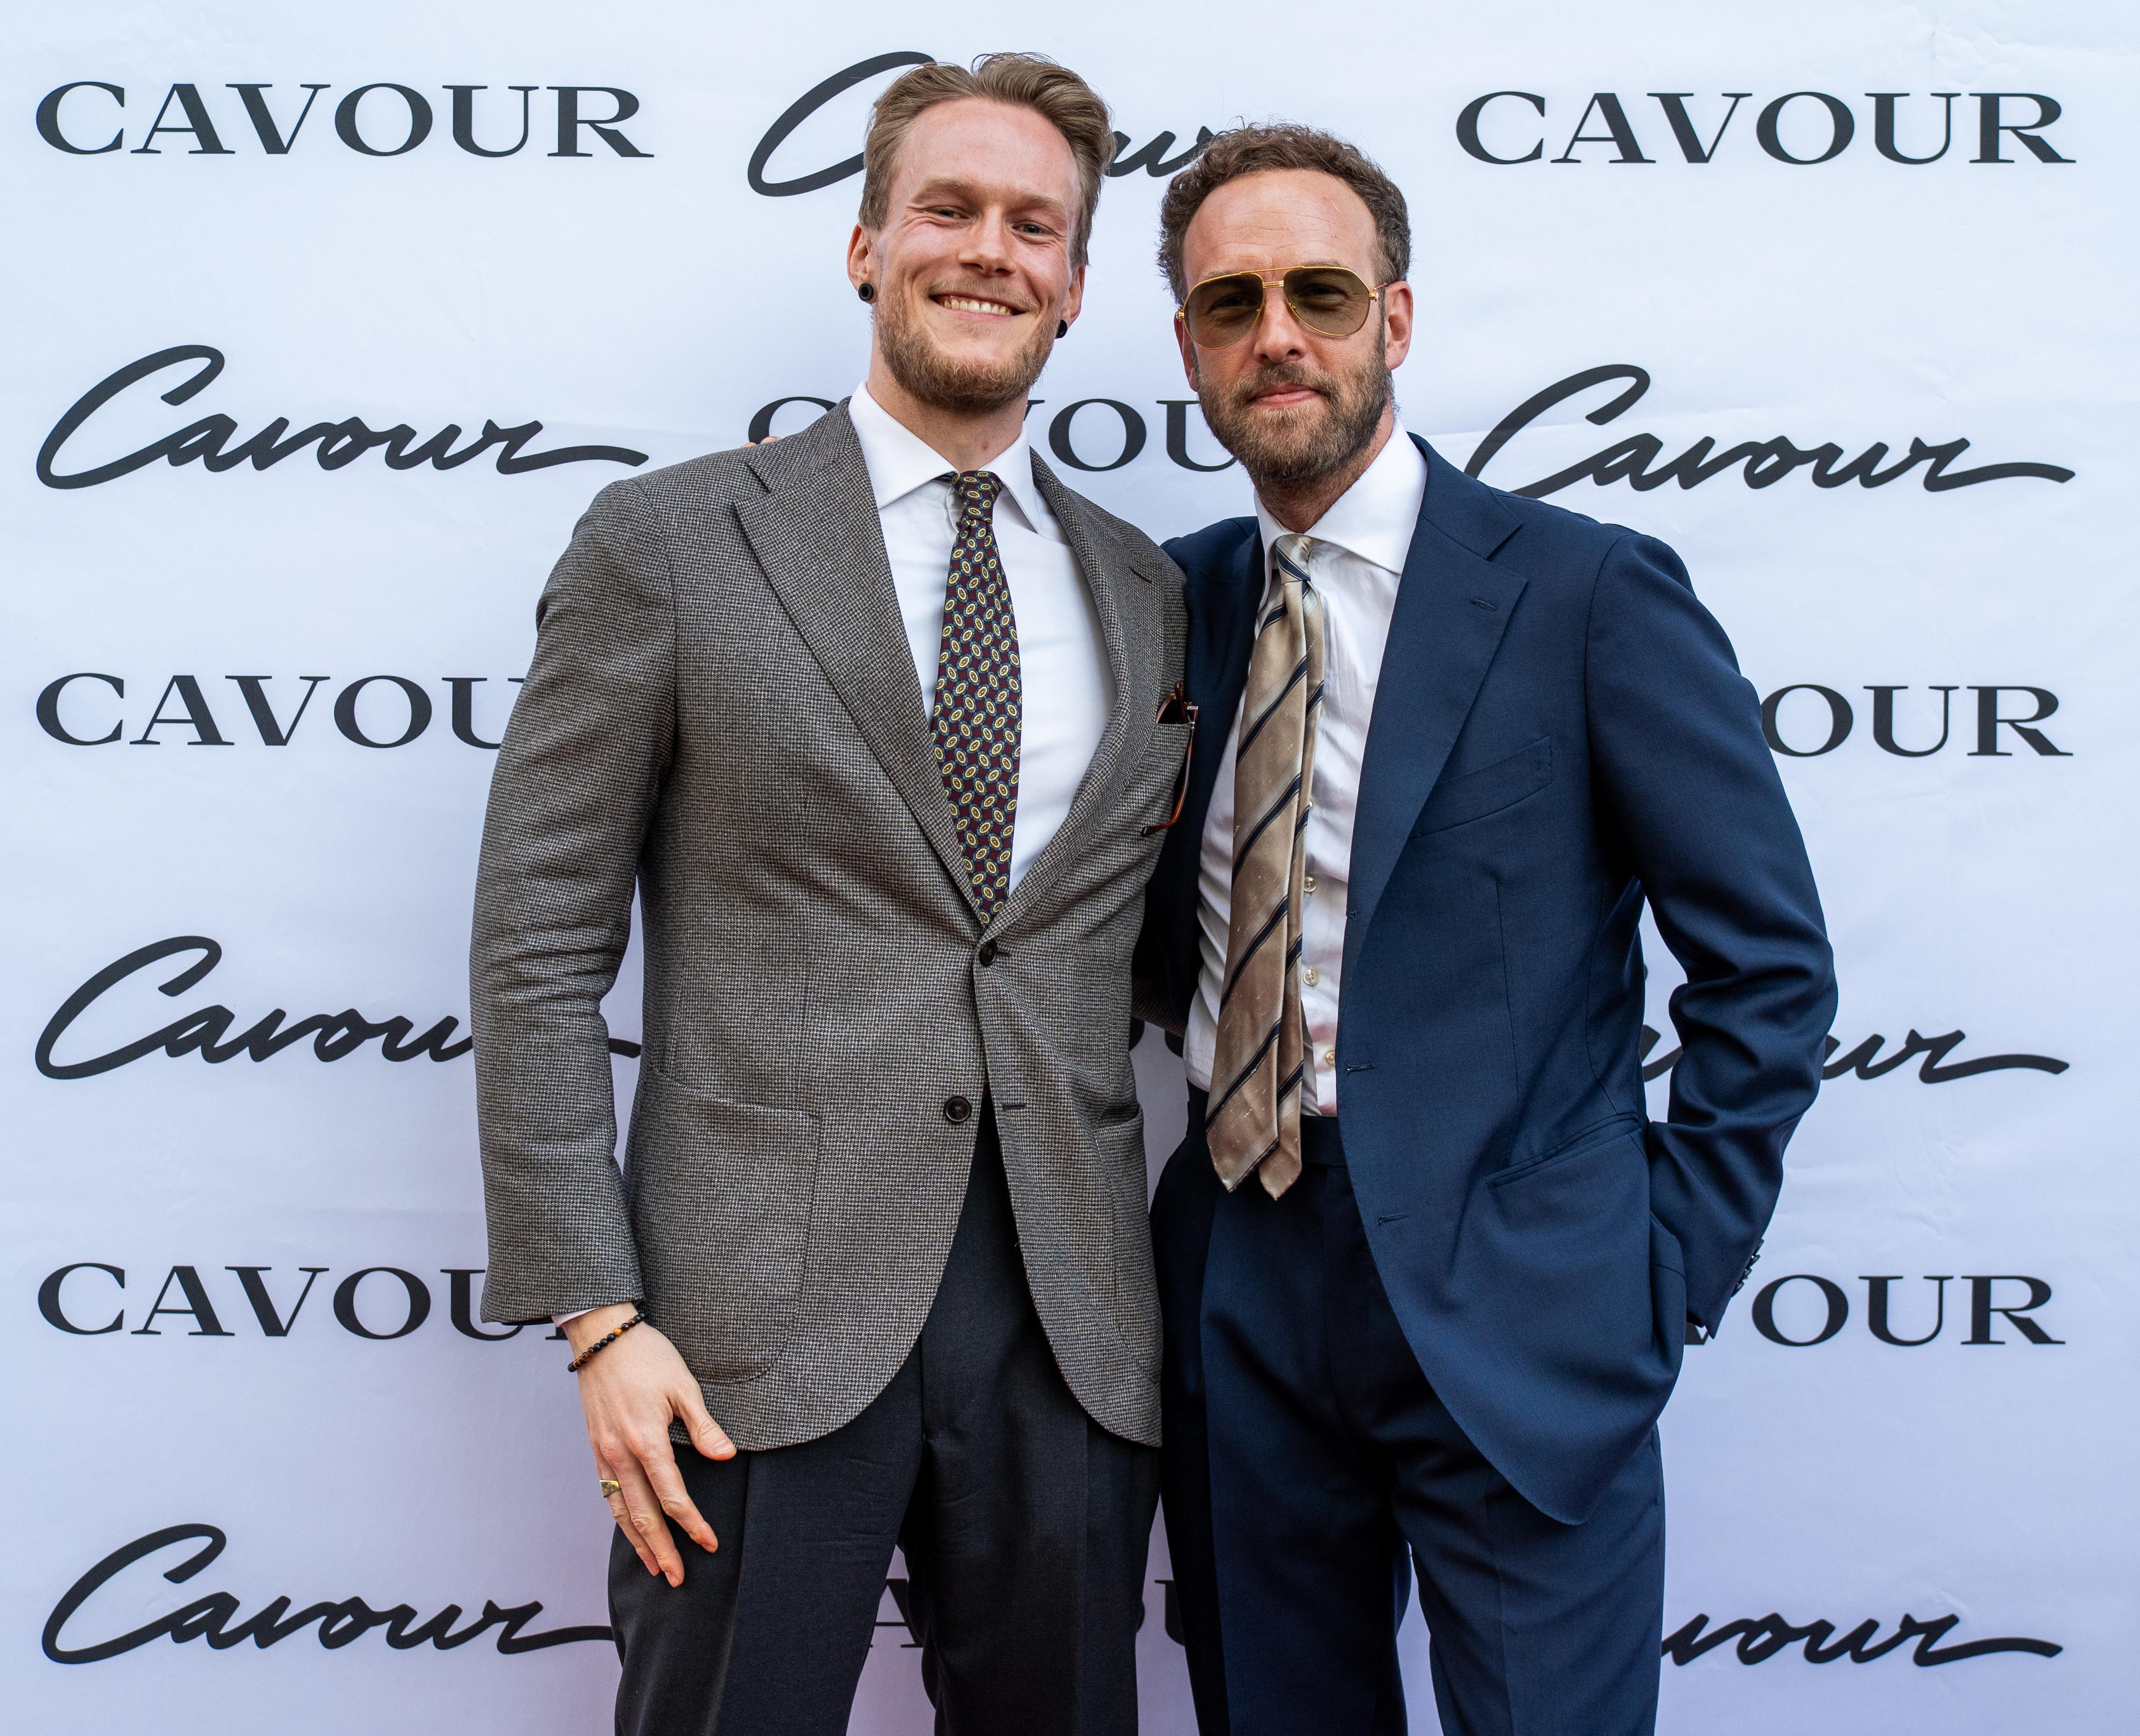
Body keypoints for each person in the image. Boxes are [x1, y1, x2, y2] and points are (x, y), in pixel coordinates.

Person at [471, 55, 1188, 1736]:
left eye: (1036, 225)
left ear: (1076, 285)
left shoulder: (1150, 592)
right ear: (867, 245)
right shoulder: (669, 542)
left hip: (1074, 1326)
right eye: (948, 207)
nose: (989, 250)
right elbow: (537, 947)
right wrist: (601, 1318)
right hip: (743, 1327)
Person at [1136, 125, 1837, 1735]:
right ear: (1187, 345)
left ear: (1395, 315)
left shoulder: (1586, 592)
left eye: (1318, 292)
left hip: (1524, 1306)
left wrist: (1655, 1273)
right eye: (1230, 303)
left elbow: (1766, 964)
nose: (1277, 336)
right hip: (1239, 1279)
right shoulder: (1169, 603)